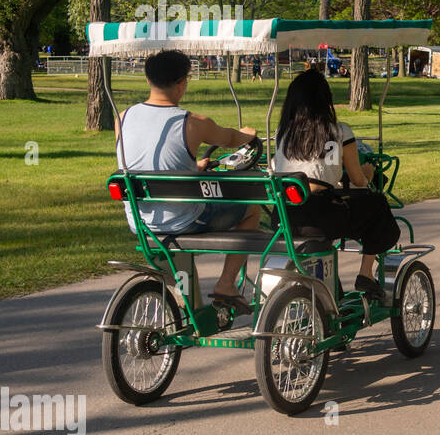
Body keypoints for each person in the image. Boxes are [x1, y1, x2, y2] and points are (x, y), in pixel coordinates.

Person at [115, 49, 259, 313]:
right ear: (182, 83)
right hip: (183, 220)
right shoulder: (193, 122)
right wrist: (248, 134)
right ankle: (227, 284)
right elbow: (230, 138)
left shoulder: (123, 117)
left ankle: (194, 312)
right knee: (251, 209)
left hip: (140, 220)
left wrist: (192, 168)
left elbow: (151, 159)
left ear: (148, 80)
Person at [272, 70, 400, 300]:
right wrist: (369, 172)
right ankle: (365, 273)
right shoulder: (338, 131)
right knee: (378, 204)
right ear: (325, 99)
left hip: (283, 216)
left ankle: (331, 292)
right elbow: (358, 179)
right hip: (321, 217)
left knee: (333, 216)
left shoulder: (282, 133)